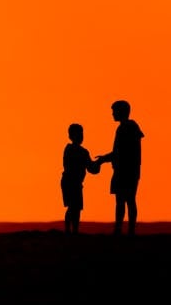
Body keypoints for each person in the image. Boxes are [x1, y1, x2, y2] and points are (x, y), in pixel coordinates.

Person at [96, 100, 144, 236]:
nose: (112, 114)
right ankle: (129, 230)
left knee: (123, 200)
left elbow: (119, 152)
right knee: (128, 200)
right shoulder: (132, 127)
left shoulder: (125, 128)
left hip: (125, 171)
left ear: (121, 112)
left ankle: (120, 229)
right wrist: (105, 158)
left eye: (114, 111)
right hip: (131, 170)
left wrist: (103, 159)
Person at [61, 123, 100, 234]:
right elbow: (92, 169)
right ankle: (71, 231)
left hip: (72, 182)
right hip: (71, 182)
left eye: (81, 134)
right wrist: (100, 163)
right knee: (74, 207)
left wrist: (99, 163)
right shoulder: (79, 151)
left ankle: (72, 231)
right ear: (71, 136)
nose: (81, 137)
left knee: (74, 208)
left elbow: (91, 168)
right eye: (78, 134)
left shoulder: (72, 150)